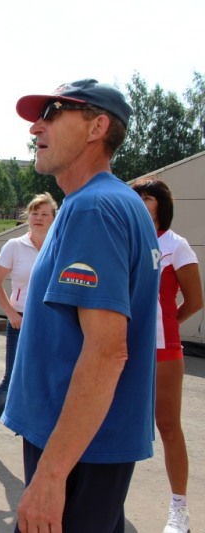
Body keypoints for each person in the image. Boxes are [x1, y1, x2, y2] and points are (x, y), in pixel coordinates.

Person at [1, 79, 160, 532]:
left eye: (53, 114)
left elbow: (106, 351)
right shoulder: (111, 201)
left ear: (97, 127)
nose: (36, 127)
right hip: (87, 445)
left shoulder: (94, 208)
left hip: (78, 452)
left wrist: (52, 476)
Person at [131, 177, 203, 533]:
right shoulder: (125, 240)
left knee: (169, 427)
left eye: (148, 197)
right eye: (136, 198)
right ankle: (106, 500)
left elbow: (195, 300)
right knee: (117, 423)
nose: (141, 203)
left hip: (164, 350)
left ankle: (179, 510)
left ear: (162, 204)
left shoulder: (176, 245)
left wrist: (165, 324)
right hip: (122, 348)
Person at [0, 193, 57, 452]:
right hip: (21, 321)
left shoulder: (60, 245)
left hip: (51, 322)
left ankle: (41, 434)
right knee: (12, 380)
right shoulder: (14, 246)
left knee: (48, 378)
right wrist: (11, 314)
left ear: (54, 218)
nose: (39, 218)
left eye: (45, 214)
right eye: (34, 213)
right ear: (27, 216)